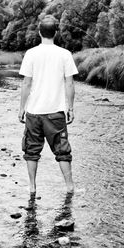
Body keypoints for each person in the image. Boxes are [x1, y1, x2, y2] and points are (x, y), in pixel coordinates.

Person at [18, 16, 78, 196]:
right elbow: (70, 84)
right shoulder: (65, 54)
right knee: (62, 150)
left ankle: (32, 187)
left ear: (39, 32)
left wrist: (22, 109)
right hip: (56, 113)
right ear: (56, 33)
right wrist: (71, 107)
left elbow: (26, 84)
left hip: (34, 112)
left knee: (31, 150)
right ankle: (69, 186)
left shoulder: (31, 54)